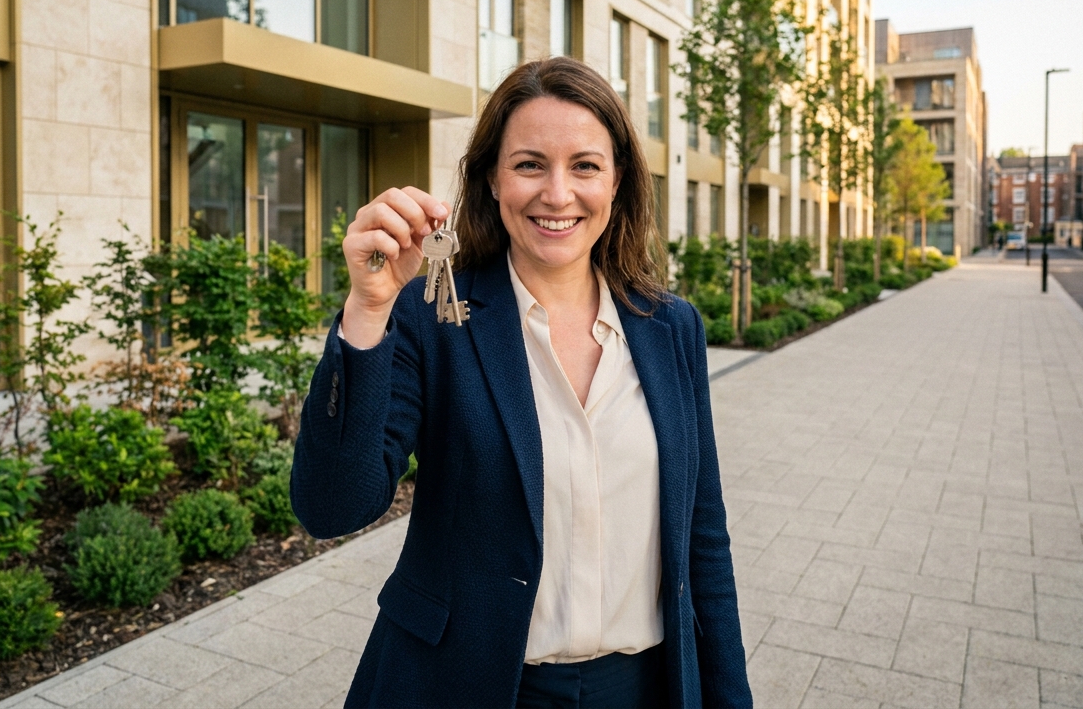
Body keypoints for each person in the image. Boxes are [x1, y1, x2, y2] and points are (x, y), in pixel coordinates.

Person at [291, 57, 752, 708]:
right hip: (468, 683)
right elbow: (332, 506)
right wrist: (368, 310)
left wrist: (731, 697)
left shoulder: (671, 326)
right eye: (530, 164)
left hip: (643, 687)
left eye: (585, 166)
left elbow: (703, 535)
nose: (557, 194)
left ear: (618, 181)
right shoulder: (432, 318)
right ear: (492, 179)